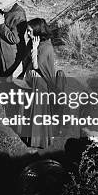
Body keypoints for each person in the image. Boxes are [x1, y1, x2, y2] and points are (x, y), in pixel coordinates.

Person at [11, 18, 59, 149]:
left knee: (37, 112)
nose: (28, 34)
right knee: (29, 109)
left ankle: (37, 141)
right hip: (31, 80)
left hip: (40, 83)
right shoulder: (33, 42)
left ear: (38, 31)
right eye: (27, 31)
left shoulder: (46, 46)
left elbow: (38, 65)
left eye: (30, 31)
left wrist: (35, 49)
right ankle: (27, 136)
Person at [0, 0, 27, 78]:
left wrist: (1, 25)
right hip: (1, 50)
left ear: (11, 3)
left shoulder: (19, 15)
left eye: (4, 6)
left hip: (12, 54)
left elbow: (14, 38)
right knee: (0, 78)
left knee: (10, 81)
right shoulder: (2, 9)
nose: (1, 9)